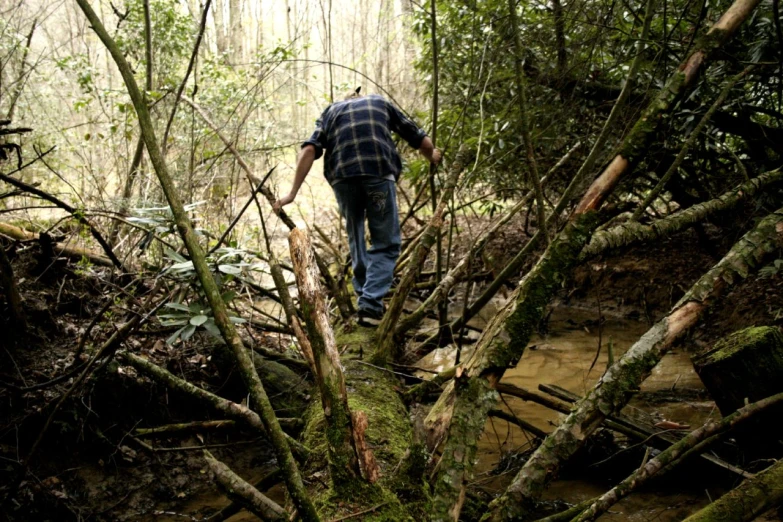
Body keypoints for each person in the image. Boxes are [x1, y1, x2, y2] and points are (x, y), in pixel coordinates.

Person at [274, 91, 441, 326]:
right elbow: (419, 139)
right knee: (385, 242)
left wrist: (292, 193)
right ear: (357, 98)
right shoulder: (379, 102)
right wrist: (432, 155)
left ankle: (363, 293)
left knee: (356, 237)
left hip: (344, 183)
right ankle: (371, 306)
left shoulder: (331, 112)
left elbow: (309, 150)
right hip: (377, 179)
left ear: (346, 100)